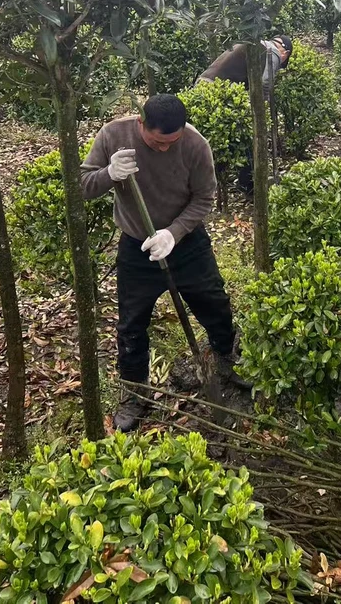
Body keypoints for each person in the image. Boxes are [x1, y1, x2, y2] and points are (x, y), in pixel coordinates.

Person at [81, 93, 243, 433]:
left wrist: (173, 233)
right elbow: (82, 186)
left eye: (173, 141)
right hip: (137, 245)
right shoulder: (114, 136)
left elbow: (204, 198)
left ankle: (227, 358)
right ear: (142, 124)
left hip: (185, 243)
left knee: (213, 301)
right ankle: (135, 391)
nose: (166, 148)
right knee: (131, 323)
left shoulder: (196, 145)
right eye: (157, 142)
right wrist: (110, 173)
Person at [197, 36, 293, 194]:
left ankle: (217, 179)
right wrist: (262, 113)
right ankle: (247, 184)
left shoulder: (252, 42)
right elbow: (265, 84)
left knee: (218, 141)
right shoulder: (273, 52)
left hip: (202, 88)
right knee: (248, 137)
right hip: (220, 93)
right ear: (285, 53)